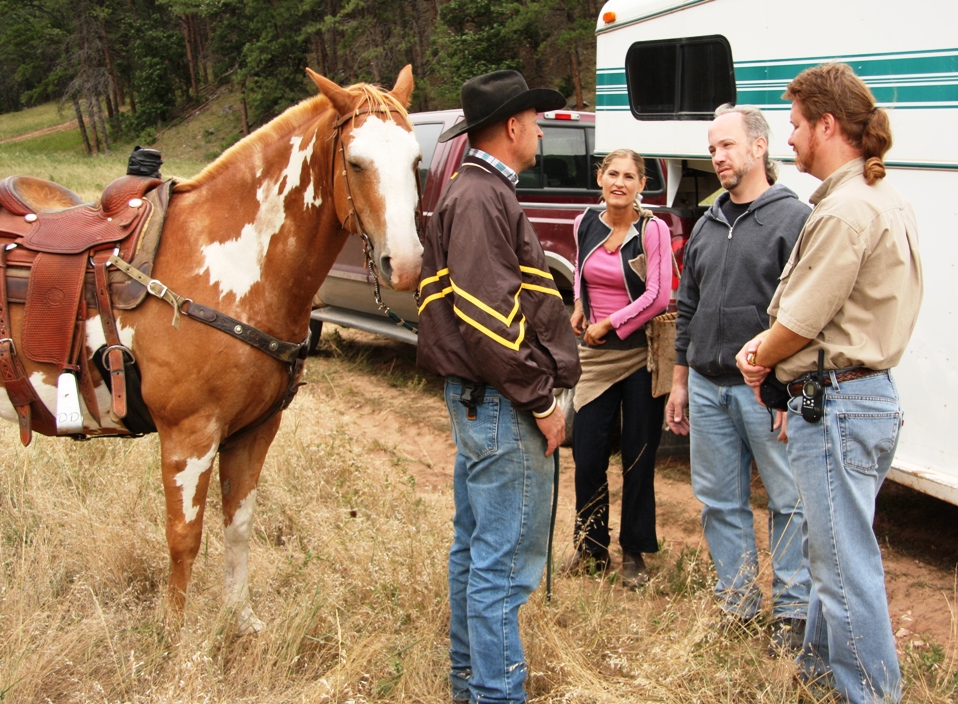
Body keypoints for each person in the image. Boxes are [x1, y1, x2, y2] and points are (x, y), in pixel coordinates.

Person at [736, 63, 922, 704]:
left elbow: (800, 321)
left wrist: (758, 356)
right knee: (833, 554)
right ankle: (817, 679)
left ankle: (871, 695)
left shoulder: (844, 211)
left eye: (794, 125)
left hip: (837, 403)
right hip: (862, 397)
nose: (788, 138)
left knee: (843, 568)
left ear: (826, 124)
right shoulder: (885, 198)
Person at [416, 70, 581, 704]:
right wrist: (541, 399)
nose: (540, 131)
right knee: (502, 568)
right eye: (535, 121)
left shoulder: (472, 192)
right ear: (512, 126)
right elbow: (489, 319)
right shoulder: (482, 197)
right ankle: (494, 694)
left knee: (477, 553)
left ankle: (472, 686)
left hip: (483, 403)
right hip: (504, 406)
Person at [666, 104, 812, 652]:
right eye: (712, 149)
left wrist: (787, 390)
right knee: (719, 502)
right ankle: (738, 604)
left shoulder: (794, 219)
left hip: (765, 392)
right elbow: (687, 307)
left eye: (726, 145)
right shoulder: (707, 223)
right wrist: (680, 381)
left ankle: (793, 615)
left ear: (759, 146)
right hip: (707, 388)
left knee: (789, 502)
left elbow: (804, 316)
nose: (717, 157)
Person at [563, 149, 671, 588]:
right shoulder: (585, 222)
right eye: (613, 174)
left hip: (640, 353)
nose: (619, 183)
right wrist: (579, 304)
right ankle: (591, 547)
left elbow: (659, 296)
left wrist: (609, 322)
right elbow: (580, 270)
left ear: (642, 185)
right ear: (600, 178)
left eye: (629, 176)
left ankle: (633, 553)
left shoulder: (653, 229)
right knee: (587, 454)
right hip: (595, 355)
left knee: (637, 457)